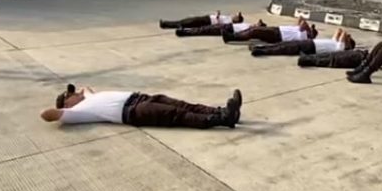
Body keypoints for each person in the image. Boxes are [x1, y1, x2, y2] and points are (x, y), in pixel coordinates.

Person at [40, 84, 243, 129]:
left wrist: (79, 93)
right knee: (177, 114)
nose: (75, 93)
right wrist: (65, 108)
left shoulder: (88, 98)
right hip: (134, 111)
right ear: (66, 103)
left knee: (184, 105)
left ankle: (223, 111)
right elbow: (46, 114)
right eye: (70, 95)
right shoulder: (77, 112)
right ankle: (223, 119)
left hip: (140, 97)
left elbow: (85, 89)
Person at [250, 28, 356, 57]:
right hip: (309, 43)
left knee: (283, 49)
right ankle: (259, 48)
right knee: (283, 45)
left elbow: (343, 34)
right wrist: (347, 37)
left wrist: (347, 38)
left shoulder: (340, 48)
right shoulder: (335, 42)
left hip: (310, 47)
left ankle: (260, 51)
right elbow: (339, 30)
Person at [223, 18, 317, 44]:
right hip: (276, 30)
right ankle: (233, 35)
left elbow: (303, 24)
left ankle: (231, 37)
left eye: (311, 30)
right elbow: (300, 19)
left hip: (277, 35)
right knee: (252, 29)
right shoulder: (300, 30)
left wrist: (309, 29)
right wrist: (308, 28)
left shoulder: (304, 36)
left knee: (254, 32)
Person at [175, 19, 267, 37]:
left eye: (258, 24)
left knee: (204, 30)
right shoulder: (249, 25)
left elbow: (241, 34)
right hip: (228, 25)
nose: (256, 23)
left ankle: (184, 33)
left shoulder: (251, 30)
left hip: (229, 29)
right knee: (205, 28)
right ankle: (185, 31)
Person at [160, 11, 244, 29]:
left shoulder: (229, 23)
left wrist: (217, 16)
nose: (235, 15)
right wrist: (217, 14)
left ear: (237, 20)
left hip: (207, 21)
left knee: (186, 22)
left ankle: (165, 24)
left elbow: (219, 24)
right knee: (185, 21)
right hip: (207, 18)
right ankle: (165, 24)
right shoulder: (229, 18)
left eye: (236, 16)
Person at [297, 49, 369, 69]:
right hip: (337, 56)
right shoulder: (360, 54)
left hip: (337, 60)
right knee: (321, 56)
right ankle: (307, 57)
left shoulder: (362, 59)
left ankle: (305, 60)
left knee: (321, 60)